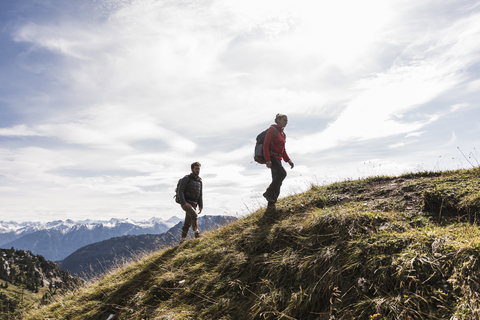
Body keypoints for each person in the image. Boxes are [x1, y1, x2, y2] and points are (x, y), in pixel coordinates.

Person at [262, 114, 294, 207]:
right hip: (271, 157)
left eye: (287, 120)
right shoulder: (272, 130)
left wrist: (288, 160)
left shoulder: (283, 134)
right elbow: (266, 145)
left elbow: (283, 150)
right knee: (282, 173)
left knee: (277, 182)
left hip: (278, 158)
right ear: (278, 120)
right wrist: (267, 159)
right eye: (284, 120)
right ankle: (268, 192)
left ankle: (271, 205)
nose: (286, 122)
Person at [178, 162, 203, 244]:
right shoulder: (187, 178)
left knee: (187, 223)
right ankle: (196, 234)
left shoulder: (200, 181)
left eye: (198, 169)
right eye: (196, 169)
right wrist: (183, 202)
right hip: (186, 203)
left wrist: (200, 205)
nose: (197, 170)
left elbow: (200, 194)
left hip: (194, 204)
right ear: (192, 169)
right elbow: (180, 191)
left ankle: (182, 241)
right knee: (194, 215)